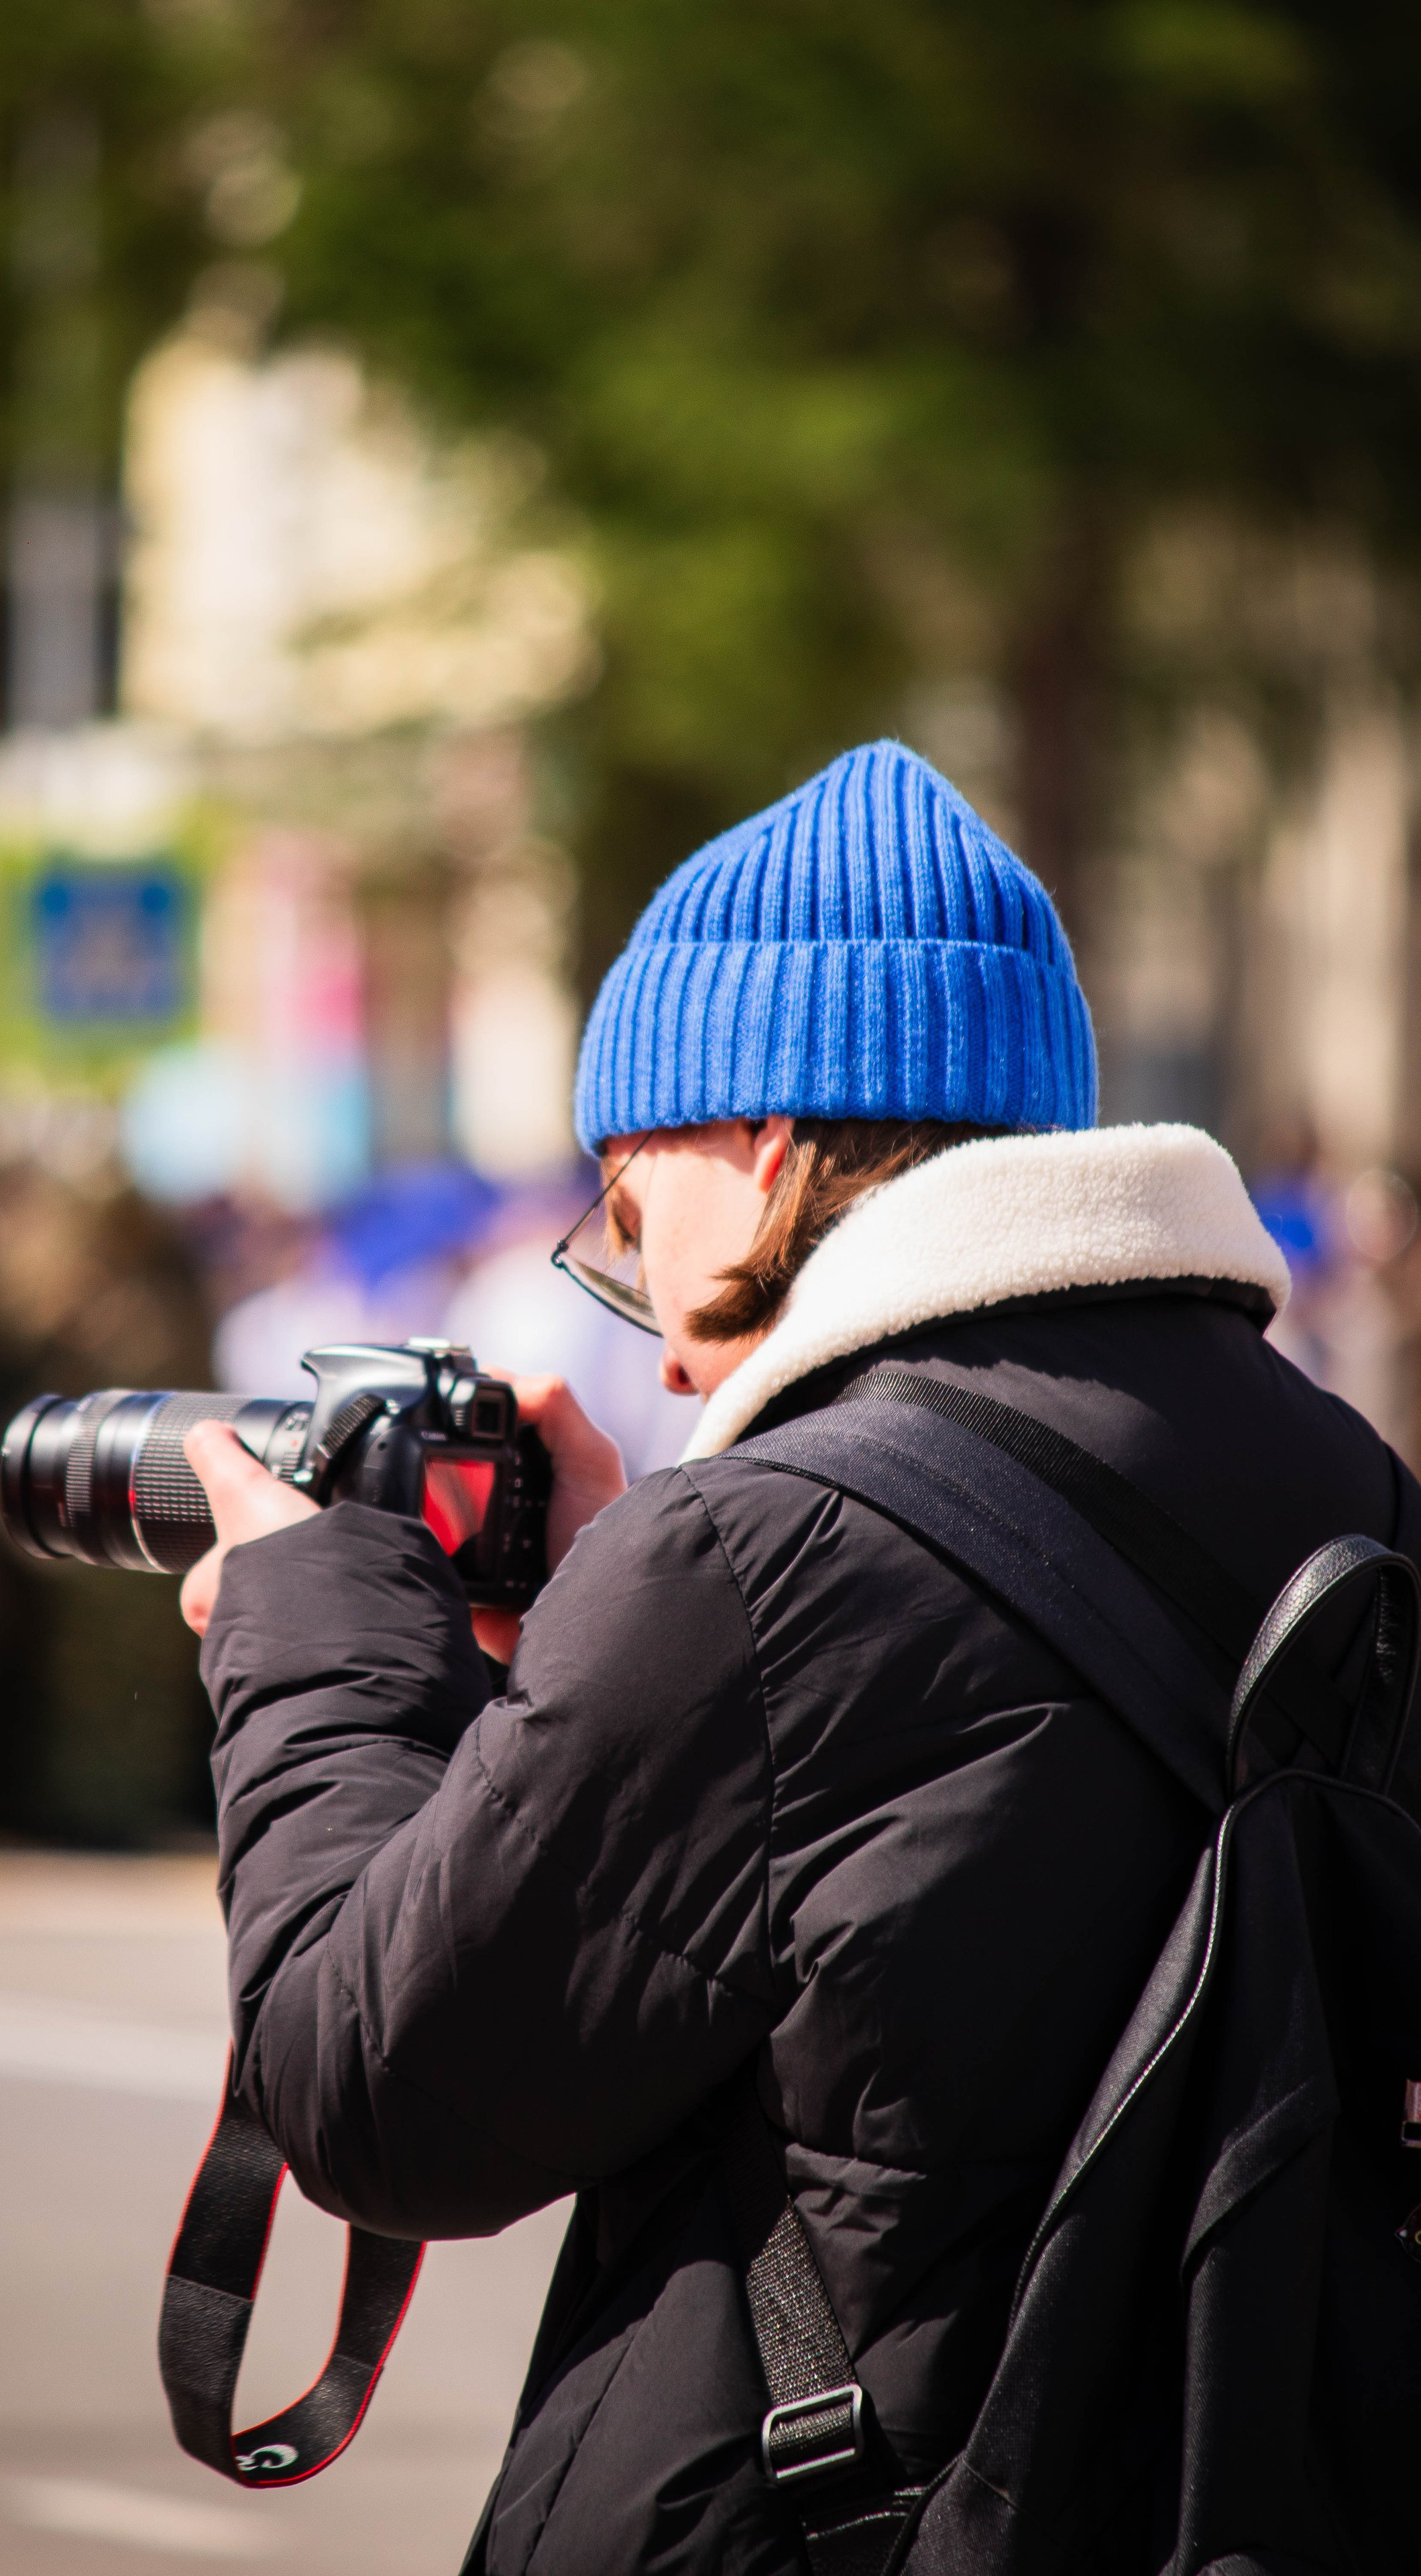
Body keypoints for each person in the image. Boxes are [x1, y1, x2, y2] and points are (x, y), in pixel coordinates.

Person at [176, 741, 1399, 2576]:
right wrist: (614, 1612)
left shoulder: (753, 1564)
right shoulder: (1346, 1478)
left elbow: (377, 2101)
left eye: (629, 1211)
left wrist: (317, 1637)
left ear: (759, 1150)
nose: (652, 1336)